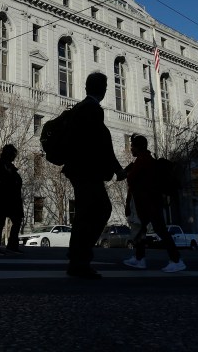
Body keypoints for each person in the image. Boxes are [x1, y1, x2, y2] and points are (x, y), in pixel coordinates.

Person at [62, 72, 126, 278]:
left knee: (84, 213)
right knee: (101, 210)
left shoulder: (80, 108)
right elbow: (101, 143)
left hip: (78, 169)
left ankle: (76, 258)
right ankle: (81, 258)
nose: (107, 89)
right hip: (86, 170)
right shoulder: (92, 109)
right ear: (101, 89)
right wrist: (115, 169)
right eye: (105, 85)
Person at [122, 134, 186, 273]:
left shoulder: (143, 160)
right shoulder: (144, 159)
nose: (131, 148)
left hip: (150, 202)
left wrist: (128, 172)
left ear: (138, 147)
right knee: (141, 229)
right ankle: (139, 259)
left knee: (160, 230)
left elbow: (131, 180)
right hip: (147, 202)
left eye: (132, 146)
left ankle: (176, 260)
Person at [0, 144, 24, 256]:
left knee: (16, 221)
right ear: (8, 154)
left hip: (11, 200)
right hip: (1, 200)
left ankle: (11, 246)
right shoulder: (0, 165)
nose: (14, 157)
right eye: (13, 154)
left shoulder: (10, 167)